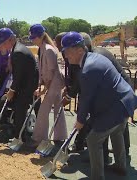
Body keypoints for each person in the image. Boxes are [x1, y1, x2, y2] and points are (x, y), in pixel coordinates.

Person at [62, 31, 137, 179]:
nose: (65, 56)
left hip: (118, 105)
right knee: (116, 132)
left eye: (68, 51)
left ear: (80, 50)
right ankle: (120, 167)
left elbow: (86, 99)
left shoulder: (88, 69)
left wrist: (80, 121)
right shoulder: (94, 58)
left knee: (93, 139)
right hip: (125, 100)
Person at [0, 27, 38, 142]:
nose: (3, 46)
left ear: (10, 39)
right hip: (23, 86)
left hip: (27, 88)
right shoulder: (17, 49)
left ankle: (19, 137)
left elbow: (18, 75)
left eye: (3, 43)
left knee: (20, 110)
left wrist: (12, 90)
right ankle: (9, 129)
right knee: (6, 102)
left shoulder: (18, 52)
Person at [28, 24, 67, 147]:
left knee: (43, 111)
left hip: (54, 83)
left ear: (40, 36)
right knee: (58, 109)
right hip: (50, 83)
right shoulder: (42, 48)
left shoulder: (49, 49)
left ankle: (39, 138)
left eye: (34, 38)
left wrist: (44, 88)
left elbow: (51, 71)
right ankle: (60, 137)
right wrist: (41, 84)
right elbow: (42, 71)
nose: (32, 40)